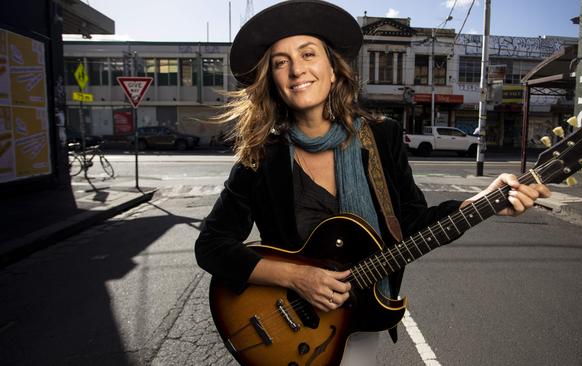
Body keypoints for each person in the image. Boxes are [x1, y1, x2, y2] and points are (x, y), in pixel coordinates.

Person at [195, 1, 551, 364]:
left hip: (355, 322)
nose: (296, 69)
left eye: (308, 54)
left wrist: (484, 201)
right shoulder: (261, 158)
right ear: (272, 80)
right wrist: (294, 277)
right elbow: (210, 245)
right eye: (281, 62)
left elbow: (411, 223)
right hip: (287, 334)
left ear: (334, 71)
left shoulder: (382, 138)